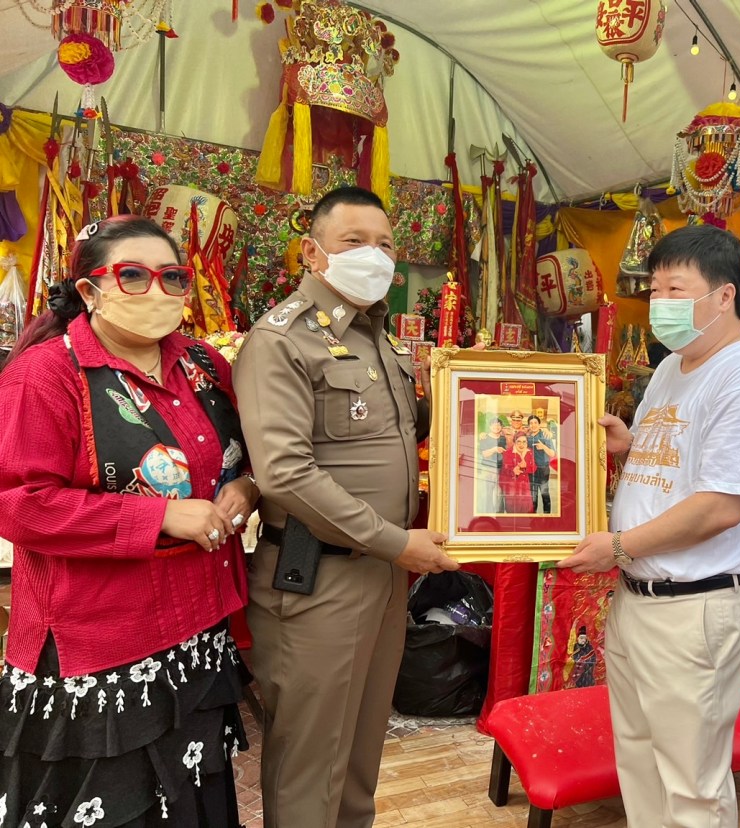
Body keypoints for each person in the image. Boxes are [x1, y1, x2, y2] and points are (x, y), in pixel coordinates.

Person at [0, 215, 258, 825]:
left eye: (173, 277)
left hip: (198, 625)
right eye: (133, 276)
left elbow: (243, 454)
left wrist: (246, 488)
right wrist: (160, 515)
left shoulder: (202, 364)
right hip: (101, 638)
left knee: (191, 795)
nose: (157, 291)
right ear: (89, 291)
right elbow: (22, 503)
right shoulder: (46, 375)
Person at [232, 185, 458, 828]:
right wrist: (396, 542)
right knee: (313, 763)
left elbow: (407, 432)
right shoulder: (281, 339)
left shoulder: (380, 338)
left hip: (382, 575)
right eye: (354, 242)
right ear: (312, 252)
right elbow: (284, 472)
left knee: (360, 752)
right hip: (319, 578)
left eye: (385, 245)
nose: (373, 256)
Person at [558, 225, 740, 827]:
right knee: (639, 761)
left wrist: (617, 546)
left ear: (724, 295)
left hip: (696, 608)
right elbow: (679, 462)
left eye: (675, 289)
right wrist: (630, 443)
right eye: (655, 288)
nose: (659, 302)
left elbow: (721, 505)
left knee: (692, 784)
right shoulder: (670, 369)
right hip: (638, 598)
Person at [500, 431, 536, 513]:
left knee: (527, 511)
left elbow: (534, 467)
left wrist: (526, 467)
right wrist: (513, 471)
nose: (521, 444)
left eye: (524, 442)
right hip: (512, 487)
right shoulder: (508, 453)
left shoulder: (529, 452)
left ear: (527, 442)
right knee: (513, 512)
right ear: (514, 442)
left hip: (525, 487)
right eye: (518, 441)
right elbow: (505, 470)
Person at [526, 413, 556, 513]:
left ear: (539, 424)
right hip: (531, 470)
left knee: (544, 494)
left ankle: (547, 517)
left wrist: (543, 447)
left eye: (535, 423)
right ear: (529, 425)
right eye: (531, 423)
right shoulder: (527, 437)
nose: (533, 425)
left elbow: (552, 453)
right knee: (533, 495)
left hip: (543, 469)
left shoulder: (545, 436)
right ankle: (533, 517)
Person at [477, 416, 507, 513]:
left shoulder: (503, 438)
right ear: (490, 426)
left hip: (501, 468)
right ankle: (488, 513)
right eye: (494, 425)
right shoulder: (484, 438)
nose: (496, 427)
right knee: (488, 492)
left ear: (501, 427)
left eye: (498, 425)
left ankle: (499, 514)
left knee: (500, 492)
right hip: (488, 468)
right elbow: (484, 454)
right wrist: (495, 449)